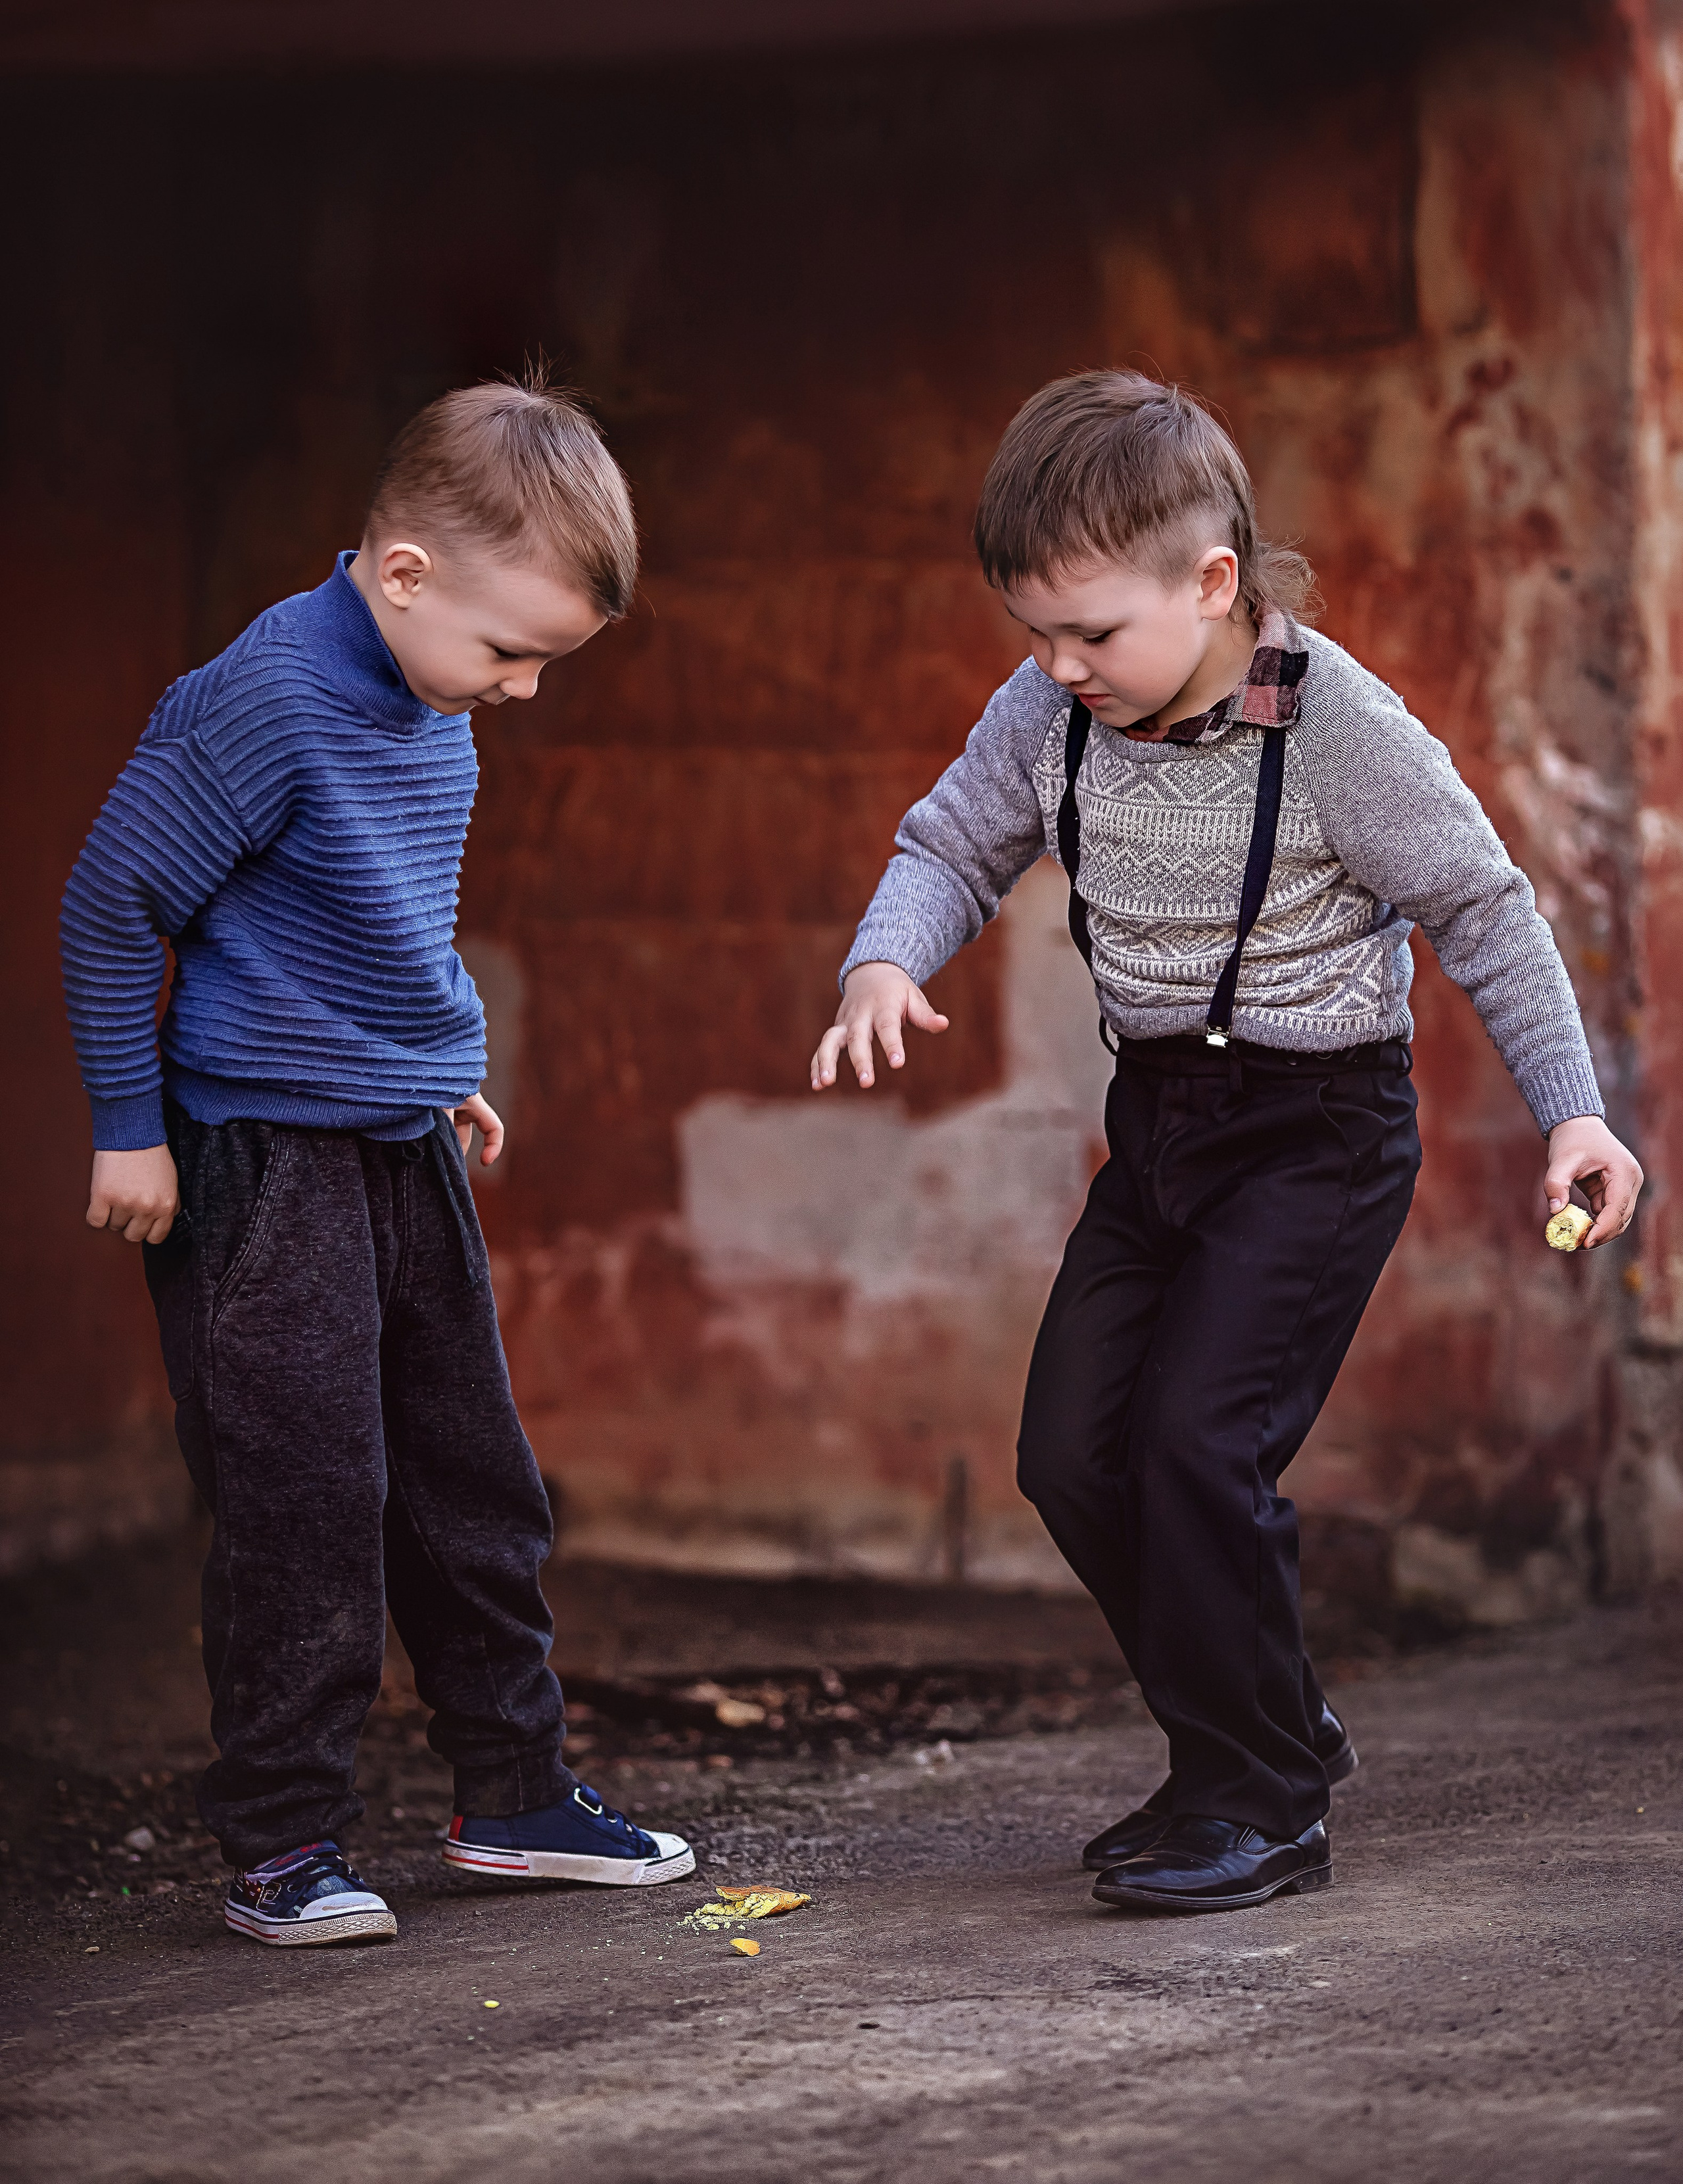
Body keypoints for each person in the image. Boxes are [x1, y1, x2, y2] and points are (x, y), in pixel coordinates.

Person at [811, 369, 1642, 1915]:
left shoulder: (1337, 727)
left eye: (1091, 636)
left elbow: (1481, 905)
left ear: (1210, 586)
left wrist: (1571, 1110)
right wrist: (883, 960)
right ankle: (1251, 1737)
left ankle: (1259, 1799)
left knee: (1199, 1440)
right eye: (1033, 637)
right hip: (1163, 1129)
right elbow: (951, 841)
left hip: (1316, 1134)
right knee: (1068, 1450)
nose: (1056, 669)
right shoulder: (1047, 710)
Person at [60, 371, 694, 1948]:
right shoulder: (264, 698)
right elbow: (107, 905)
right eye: (511, 652)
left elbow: (386, 907)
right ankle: (282, 1839)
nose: (522, 690)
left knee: (473, 1474)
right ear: (402, 572)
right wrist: (131, 1127)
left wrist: (447, 1066)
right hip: (260, 1155)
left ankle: (515, 1792)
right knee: (304, 1495)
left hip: (399, 1136)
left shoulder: (430, 690)